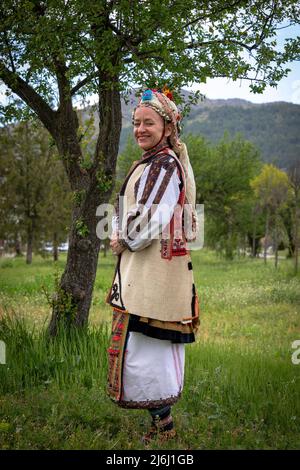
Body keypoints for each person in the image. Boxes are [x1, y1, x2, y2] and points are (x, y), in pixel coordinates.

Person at [106, 87, 200, 444]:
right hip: (144, 272)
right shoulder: (150, 163)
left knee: (149, 350)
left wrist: (123, 238)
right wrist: (120, 229)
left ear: (167, 127)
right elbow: (128, 208)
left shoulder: (163, 164)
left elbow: (150, 217)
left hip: (155, 275)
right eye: (136, 123)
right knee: (143, 348)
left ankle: (165, 430)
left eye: (148, 123)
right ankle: (161, 426)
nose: (140, 129)